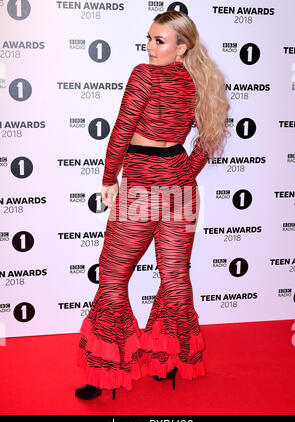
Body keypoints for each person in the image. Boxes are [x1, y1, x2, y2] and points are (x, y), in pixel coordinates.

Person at [75, 10, 230, 400]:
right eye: (149, 38)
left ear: (181, 48)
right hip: (180, 190)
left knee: (112, 278)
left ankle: (105, 372)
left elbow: (122, 132)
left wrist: (109, 178)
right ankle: (169, 363)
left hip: (142, 188)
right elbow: (209, 137)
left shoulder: (143, 75)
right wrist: (185, 171)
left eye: (159, 41)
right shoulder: (202, 81)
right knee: (175, 280)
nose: (149, 47)